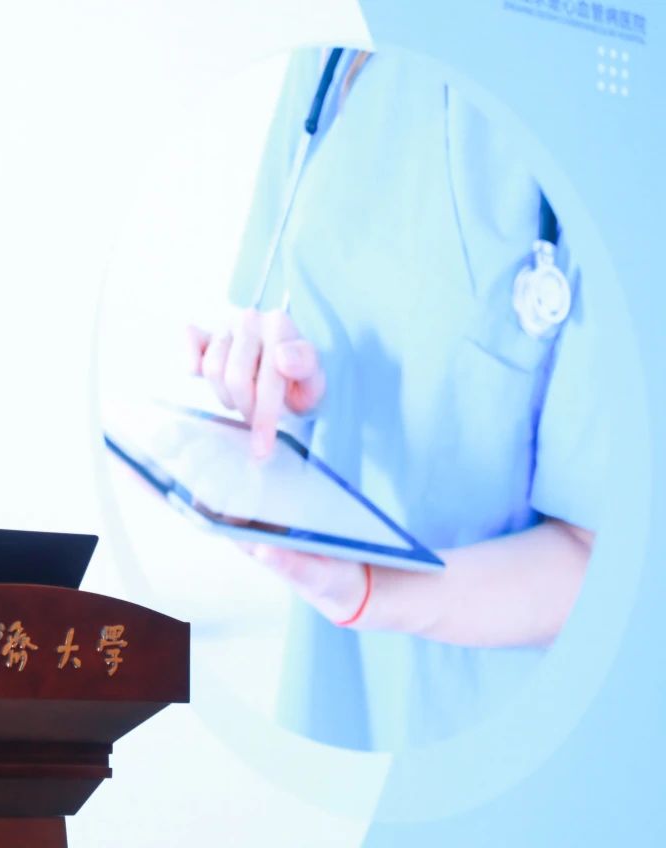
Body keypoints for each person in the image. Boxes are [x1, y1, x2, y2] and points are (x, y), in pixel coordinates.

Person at [187, 50, 602, 750]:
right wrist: (273, 388)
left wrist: (374, 590)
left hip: (509, 730)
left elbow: (601, 564)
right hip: (334, 683)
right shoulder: (333, 51)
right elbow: (288, 311)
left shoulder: (599, 73)